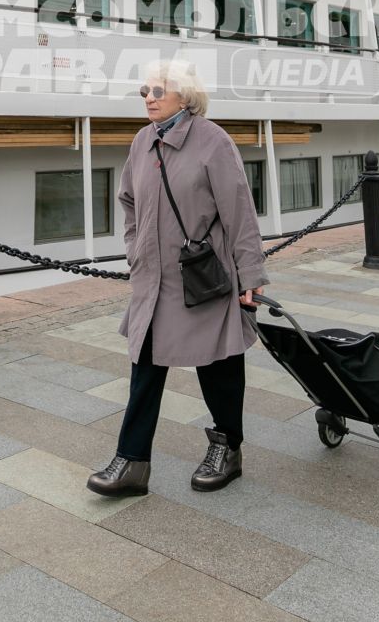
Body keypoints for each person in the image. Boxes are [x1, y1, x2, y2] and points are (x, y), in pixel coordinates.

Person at [87, 59, 267, 498]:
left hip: (202, 275)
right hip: (154, 280)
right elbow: (128, 200)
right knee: (145, 366)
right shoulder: (141, 141)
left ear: (184, 96)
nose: (148, 97)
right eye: (143, 90)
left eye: (157, 90)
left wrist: (251, 274)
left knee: (217, 363)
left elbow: (238, 211)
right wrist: (135, 249)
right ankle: (132, 462)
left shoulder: (213, 141)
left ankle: (228, 447)